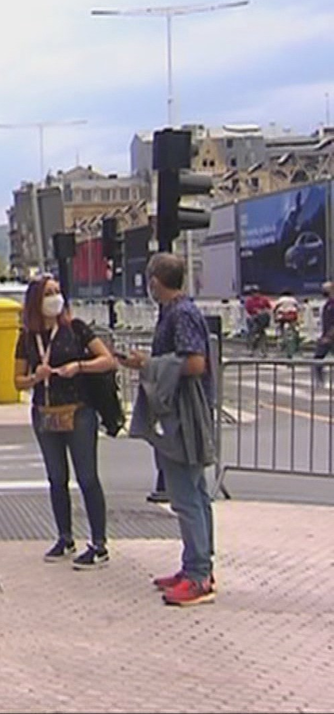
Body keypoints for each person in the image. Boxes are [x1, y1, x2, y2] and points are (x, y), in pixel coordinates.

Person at [121, 253, 217, 607]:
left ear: (156, 281)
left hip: (184, 414)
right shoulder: (175, 312)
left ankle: (198, 573)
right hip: (179, 410)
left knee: (187, 496)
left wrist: (150, 364)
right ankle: (197, 565)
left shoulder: (181, 314)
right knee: (196, 494)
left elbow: (194, 362)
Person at [13, 275, 116, 569]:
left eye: (58, 292)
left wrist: (79, 366)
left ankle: (99, 544)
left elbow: (107, 360)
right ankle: (64, 537)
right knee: (56, 478)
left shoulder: (76, 329)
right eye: (48, 293)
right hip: (45, 411)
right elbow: (17, 380)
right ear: (36, 300)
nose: (55, 297)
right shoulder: (27, 337)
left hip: (79, 411)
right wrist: (35, 377)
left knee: (87, 477)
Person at [315, 282, 334, 386]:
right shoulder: (327, 304)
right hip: (325, 335)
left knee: (318, 358)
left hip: (330, 336)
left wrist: (329, 336)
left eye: (325, 289)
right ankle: (320, 380)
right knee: (318, 358)